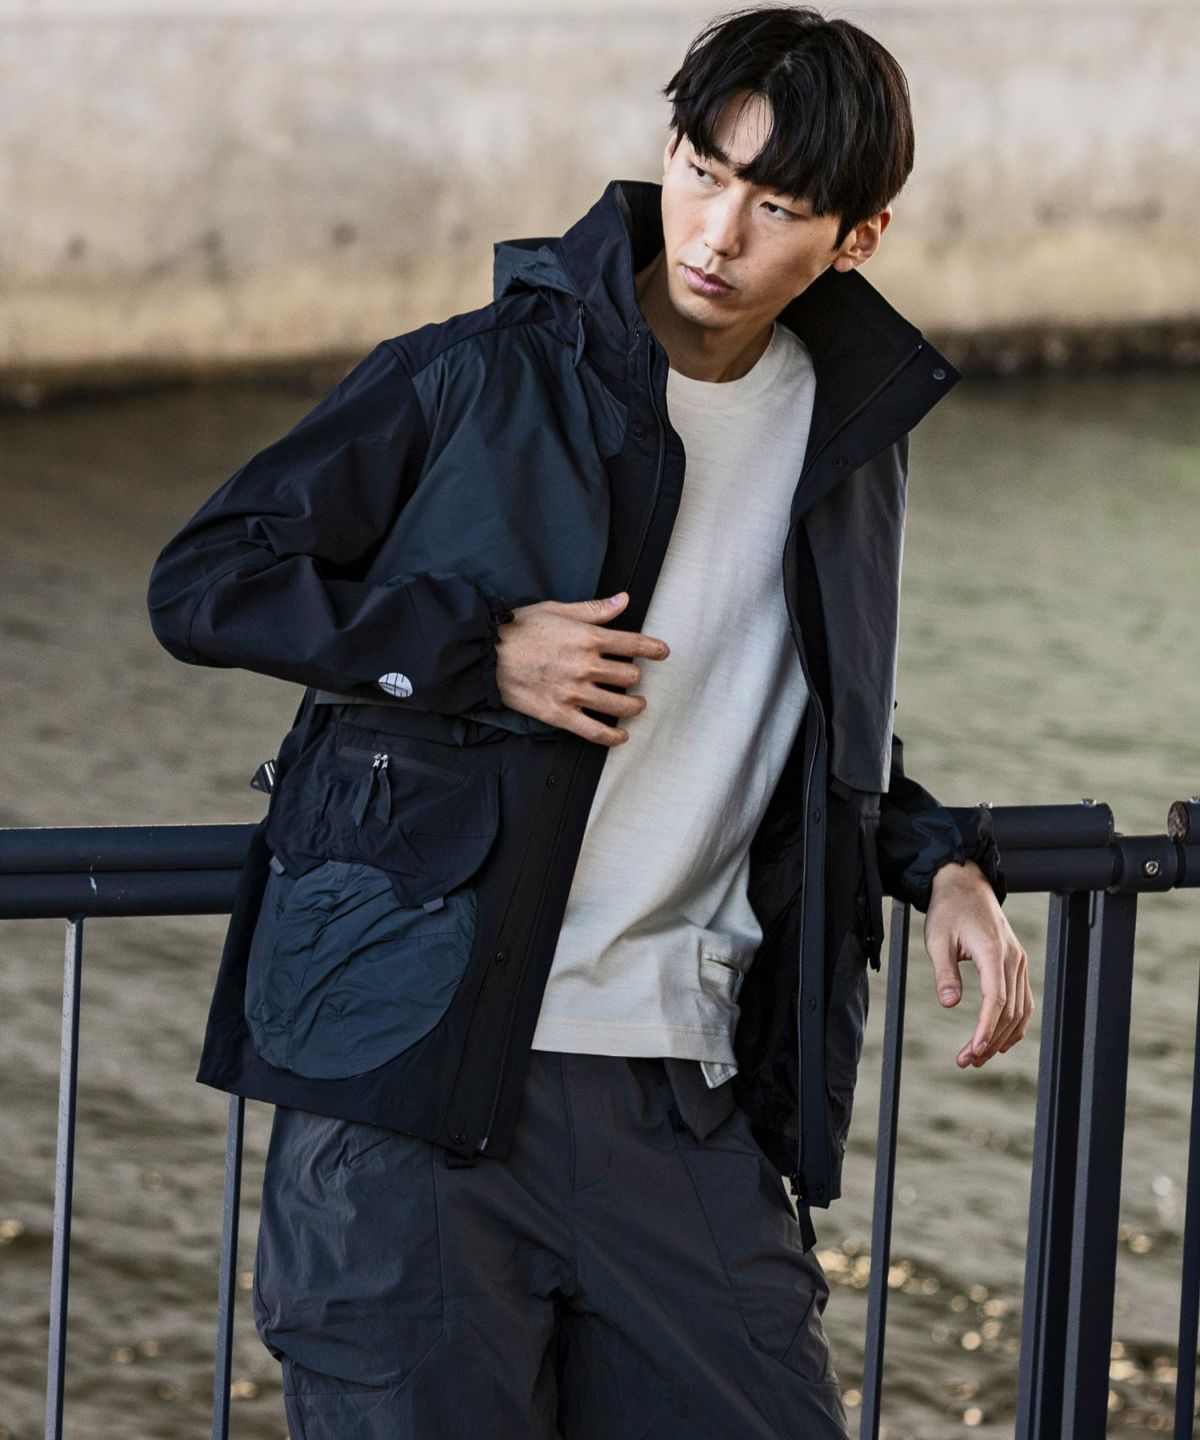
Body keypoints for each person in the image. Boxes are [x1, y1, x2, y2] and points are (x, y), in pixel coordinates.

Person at [147, 6, 1030, 1436]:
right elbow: (204, 582)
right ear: (668, 151)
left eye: (776, 205)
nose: (716, 232)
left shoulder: (852, 434)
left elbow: (794, 713)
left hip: (683, 1096)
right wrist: (479, 649)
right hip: (412, 1079)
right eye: (702, 171)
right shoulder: (478, 370)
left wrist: (940, 860)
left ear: (856, 238)